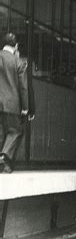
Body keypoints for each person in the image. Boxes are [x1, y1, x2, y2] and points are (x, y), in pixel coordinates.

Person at [0, 33, 29, 173]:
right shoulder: (18, 62)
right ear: (16, 46)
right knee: (15, 131)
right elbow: (23, 87)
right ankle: (4, 156)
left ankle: (4, 165)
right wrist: (25, 107)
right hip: (11, 104)